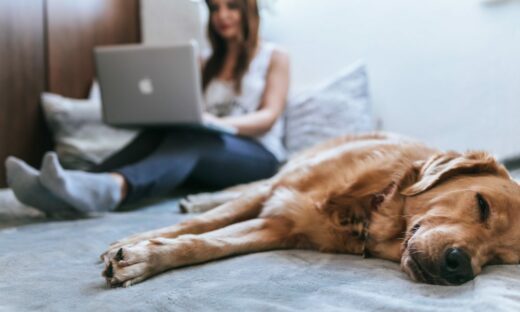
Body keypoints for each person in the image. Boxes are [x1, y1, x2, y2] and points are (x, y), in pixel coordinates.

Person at [5, 0, 290, 218]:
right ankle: (71, 185)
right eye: (215, 8)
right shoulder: (204, 61)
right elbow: (188, 107)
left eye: (231, 6)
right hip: (208, 145)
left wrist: (216, 121)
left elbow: (269, 116)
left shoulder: (274, 56)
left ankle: (114, 188)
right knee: (166, 133)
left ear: (248, 10)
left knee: (193, 140)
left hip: (258, 155)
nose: (222, 16)